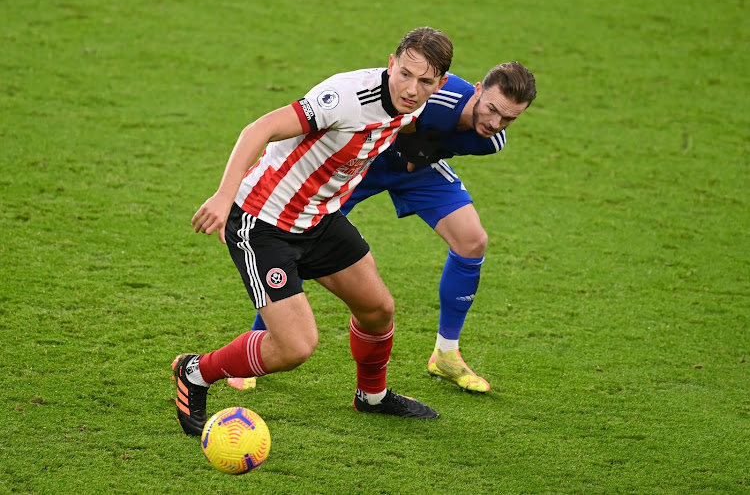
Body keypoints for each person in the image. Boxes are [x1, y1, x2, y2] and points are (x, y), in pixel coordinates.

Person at [172, 27, 453, 436]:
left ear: (439, 83)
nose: (412, 89)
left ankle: (371, 397)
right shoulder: (345, 96)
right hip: (262, 220)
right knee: (295, 347)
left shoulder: (416, 103)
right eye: (405, 74)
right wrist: (222, 197)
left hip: (319, 218)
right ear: (391, 64)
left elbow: (419, 122)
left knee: (378, 310)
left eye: (425, 81)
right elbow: (258, 129)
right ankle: (195, 372)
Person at [247, 61, 536, 394]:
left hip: (413, 171)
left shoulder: (492, 141)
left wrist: (421, 150)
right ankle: (258, 343)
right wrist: (409, 140)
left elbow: (429, 149)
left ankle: (446, 353)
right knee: (302, 234)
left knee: (472, 240)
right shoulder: (439, 94)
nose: (495, 123)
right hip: (364, 160)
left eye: (510, 119)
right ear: (477, 90)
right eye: (491, 110)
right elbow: (382, 94)